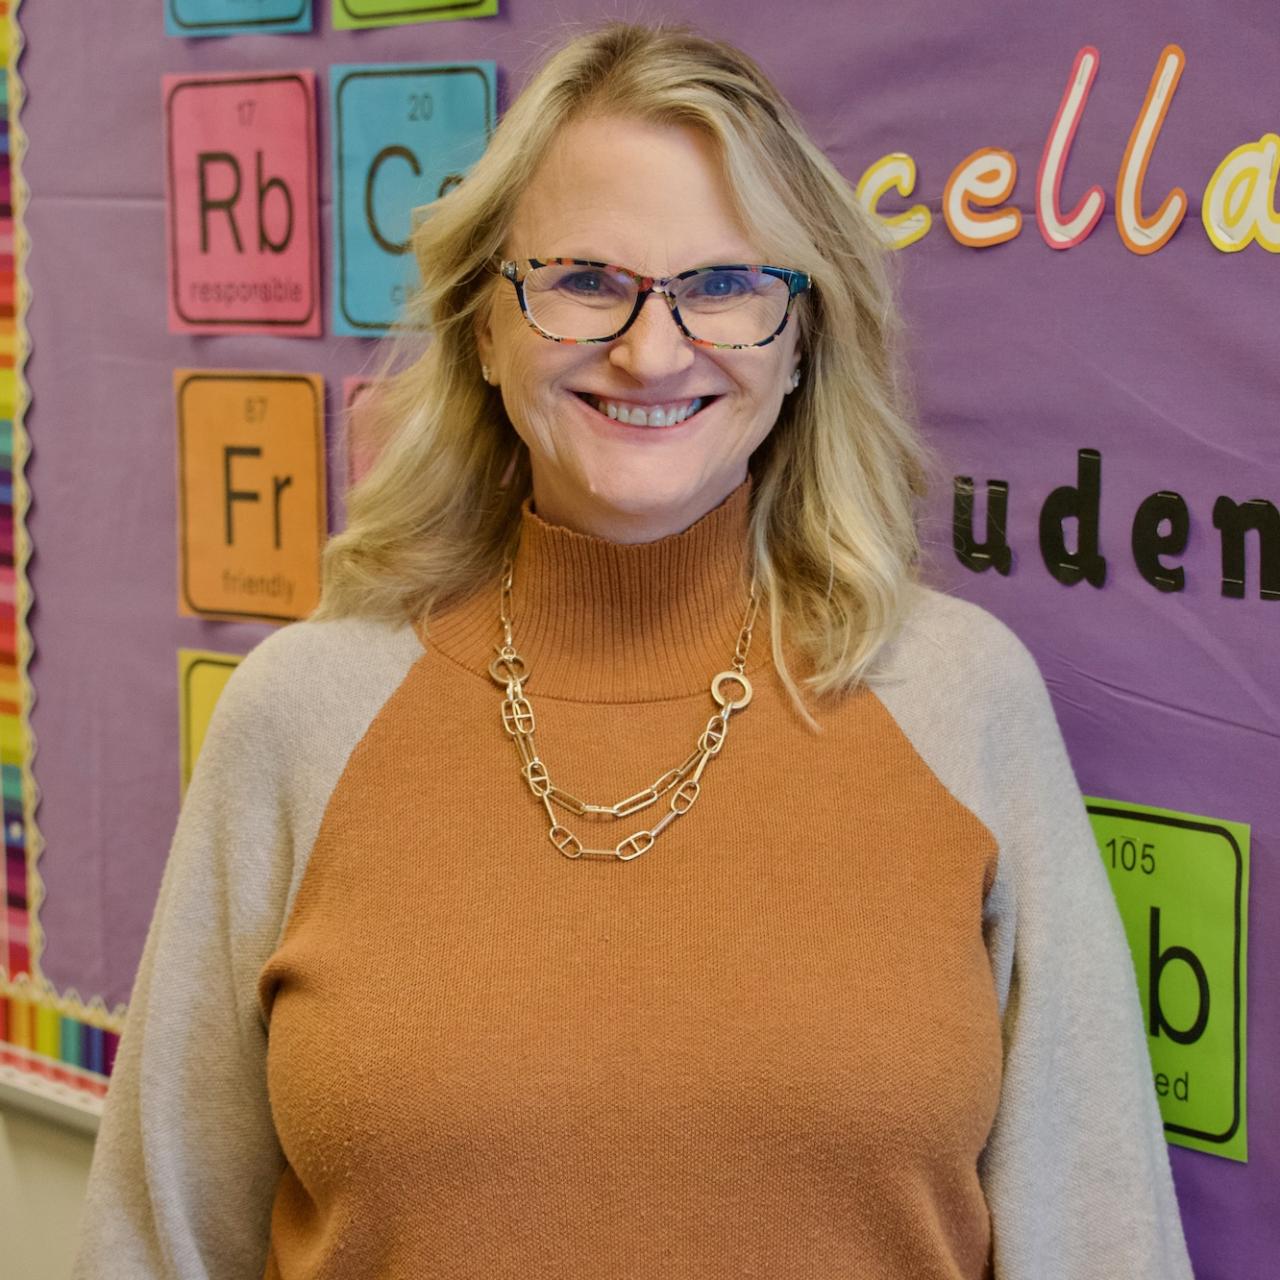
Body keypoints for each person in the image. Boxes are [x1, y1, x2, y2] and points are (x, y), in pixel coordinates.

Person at [74, 21, 1194, 1280]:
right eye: (584, 278)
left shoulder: (958, 700)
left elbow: (1104, 1245)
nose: (652, 348)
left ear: (799, 341)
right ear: (482, 329)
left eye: (723, 285)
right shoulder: (299, 717)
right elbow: (153, 1248)